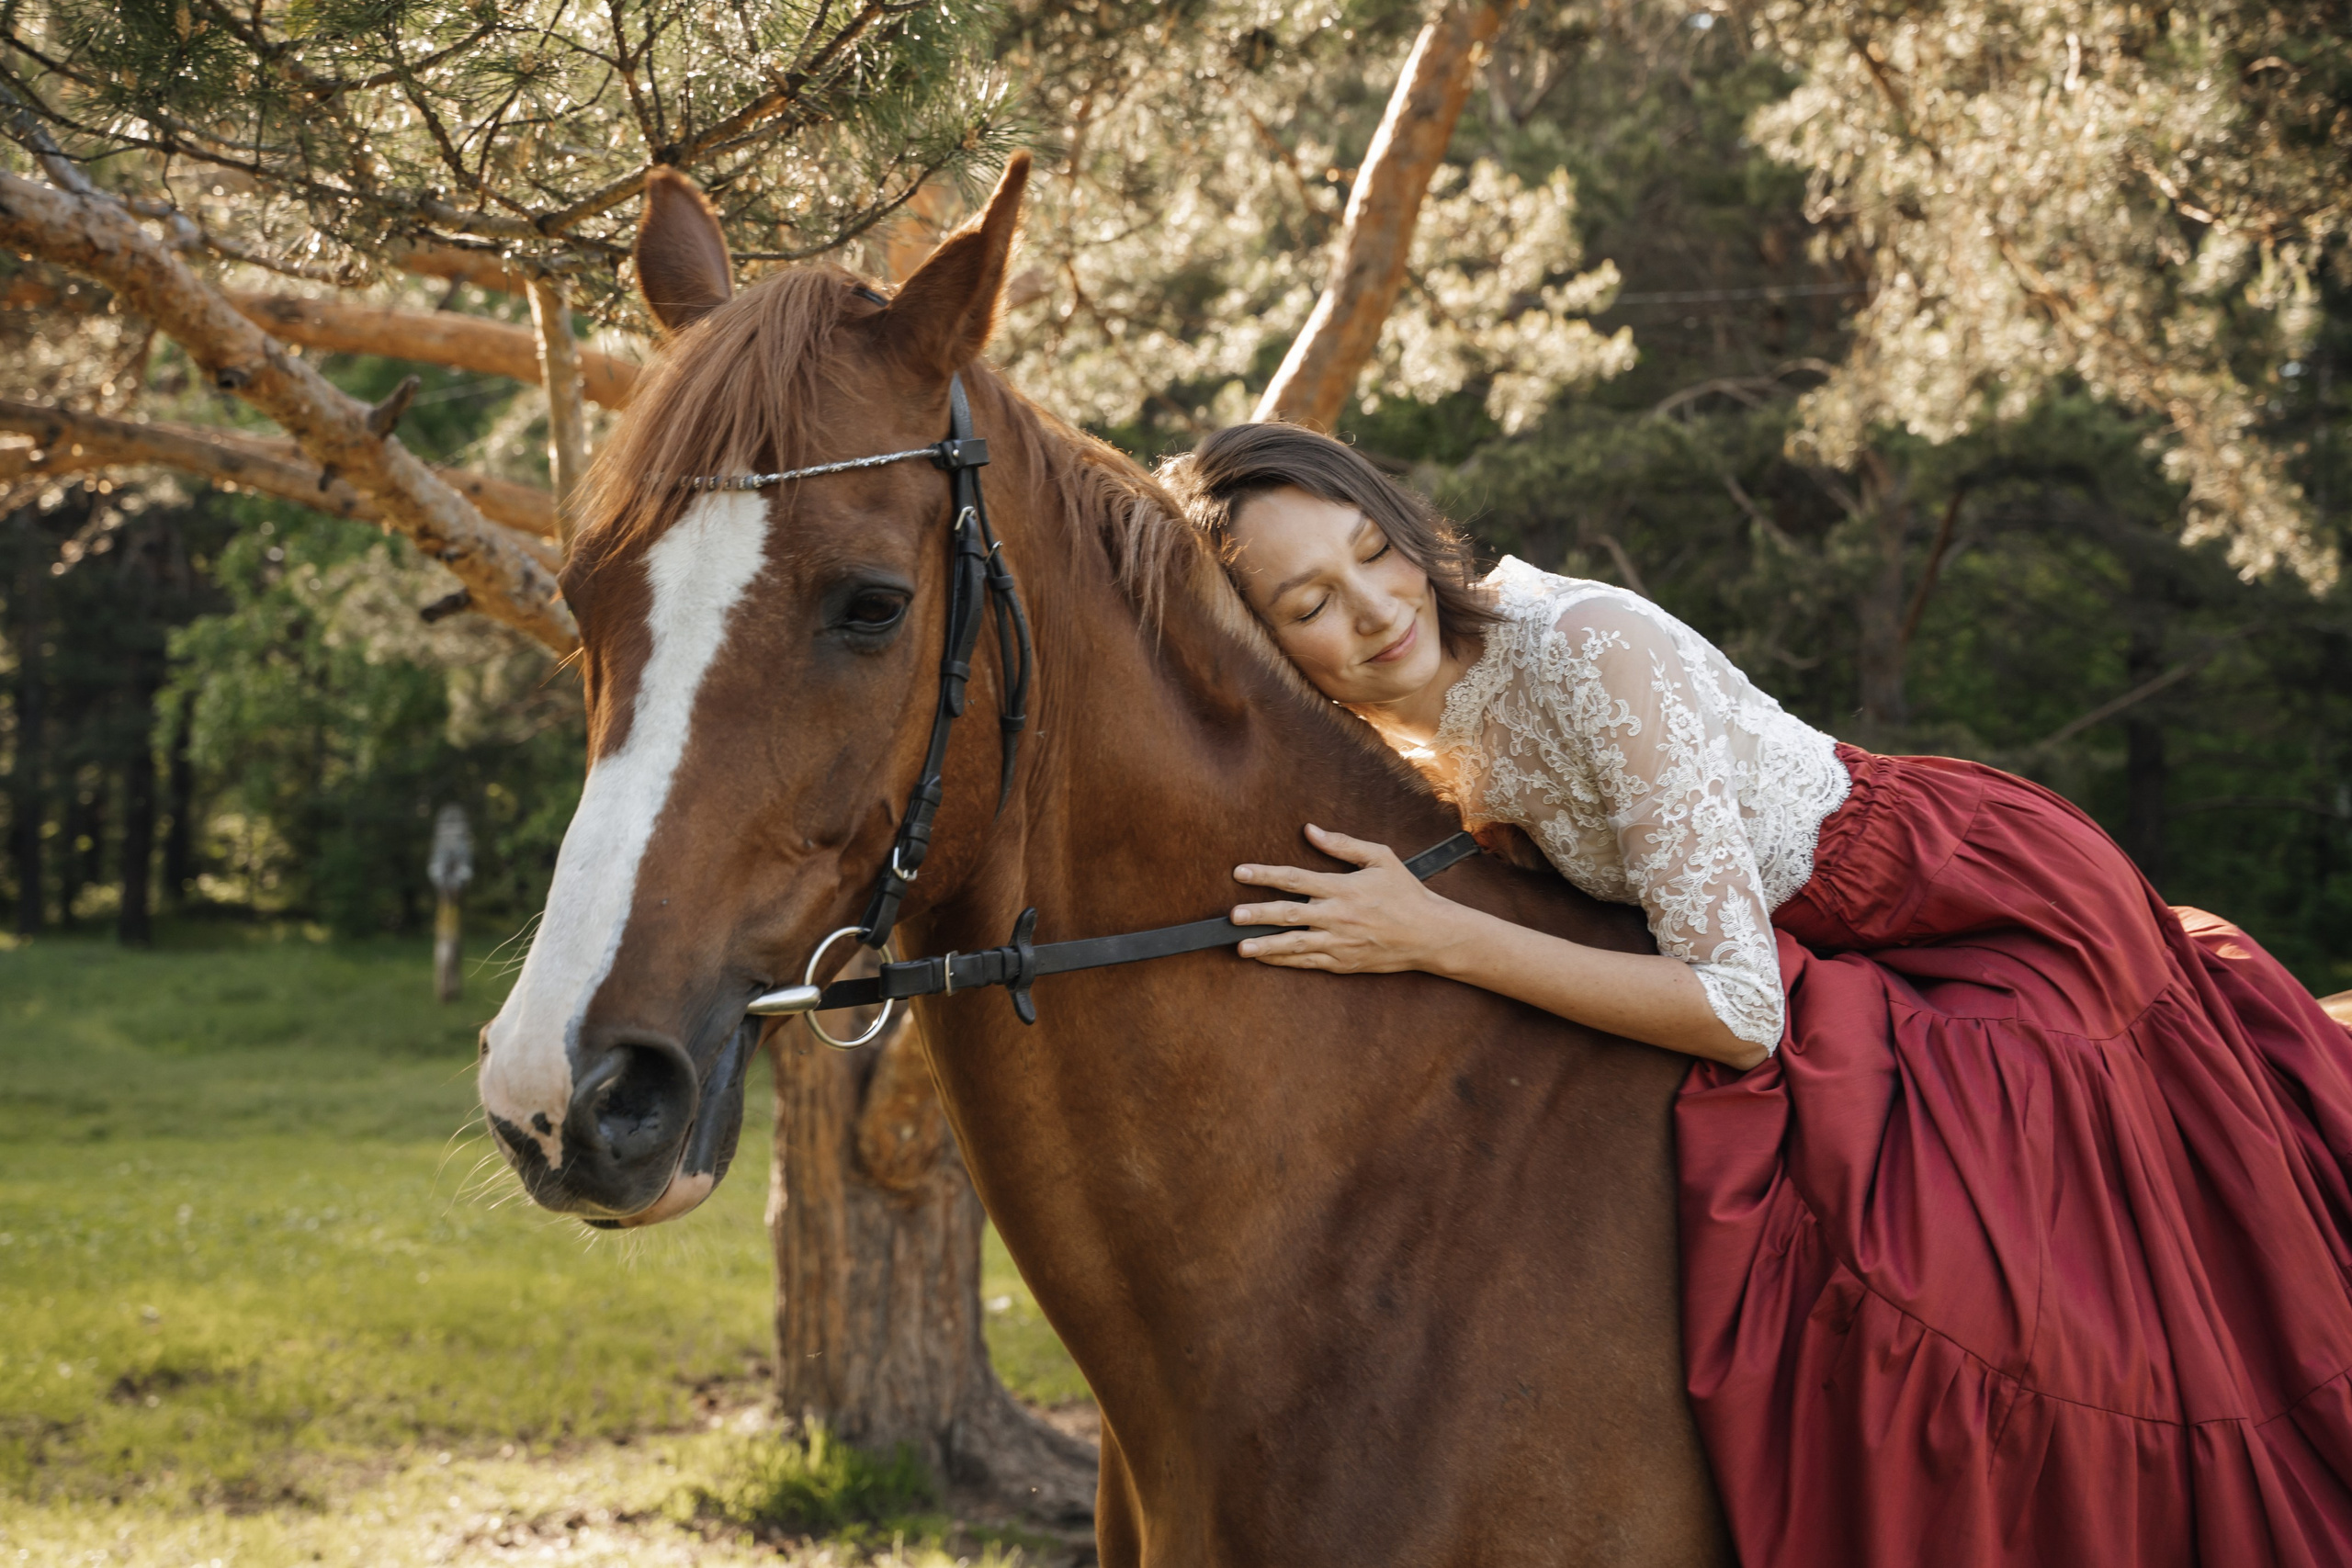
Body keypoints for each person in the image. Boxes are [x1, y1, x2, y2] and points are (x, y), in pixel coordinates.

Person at [1158, 421, 2352, 1568]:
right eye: (1310, 603)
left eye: (1376, 550)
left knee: (1973, 1272)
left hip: (1964, 910)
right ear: (1264, 643)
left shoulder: (1583, 648)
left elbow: (1738, 1012)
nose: (1375, 609)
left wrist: (1433, 937)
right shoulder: (1389, 733)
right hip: (1812, 941)